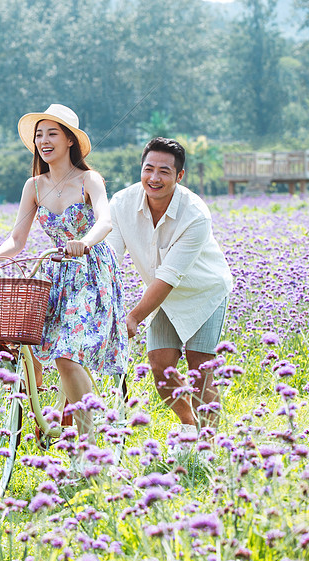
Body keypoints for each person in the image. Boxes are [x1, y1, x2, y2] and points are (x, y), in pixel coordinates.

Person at [0, 104, 128, 449]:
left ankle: (88, 448)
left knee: (66, 355)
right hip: (55, 272)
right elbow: (17, 239)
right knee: (32, 346)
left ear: (70, 140)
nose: (44, 141)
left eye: (52, 133)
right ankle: (50, 420)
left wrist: (84, 242)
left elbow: (105, 220)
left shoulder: (89, 179)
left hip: (90, 269)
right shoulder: (34, 185)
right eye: (39, 135)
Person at [106, 137, 233, 437]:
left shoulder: (196, 214)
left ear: (179, 176)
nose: (154, 178)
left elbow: (169, 276)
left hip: (204, 292)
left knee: (200, 367)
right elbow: (110, 258)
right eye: (148, 169)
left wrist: (134, 317)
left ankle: (209, 444)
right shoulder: (122, 204)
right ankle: (190, 426)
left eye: (164, 171)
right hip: (161, 296)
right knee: (161, 369)